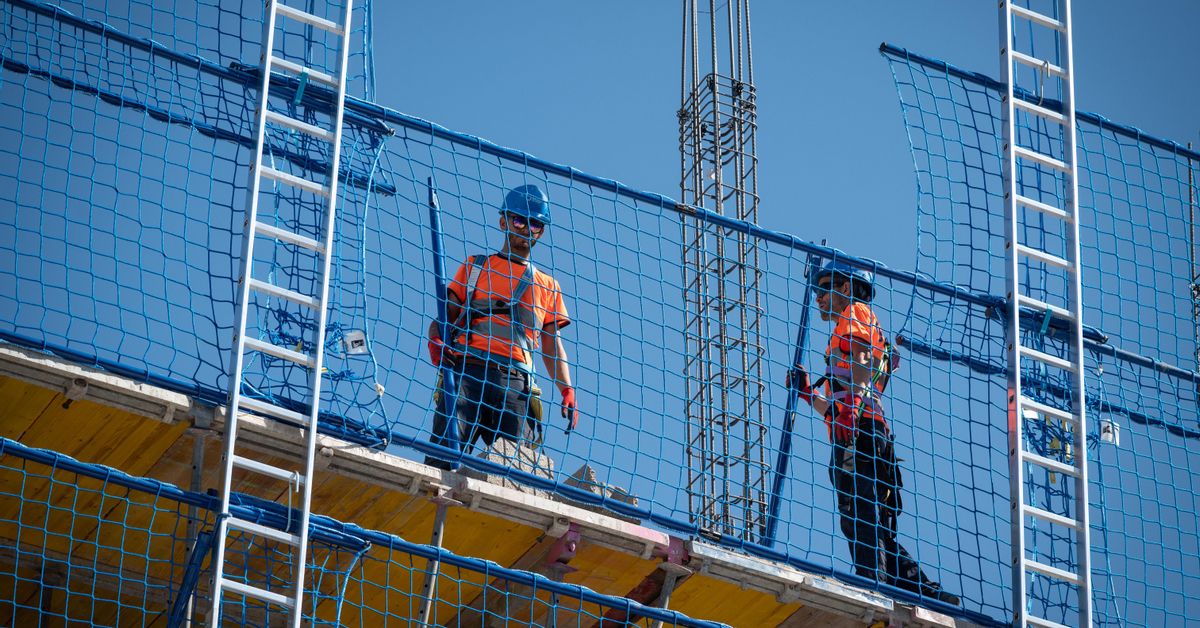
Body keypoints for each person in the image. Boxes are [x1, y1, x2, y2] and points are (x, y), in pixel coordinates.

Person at [788, 260, 959, 606]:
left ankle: (873, 586)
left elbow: (862, 368)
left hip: (860, 432)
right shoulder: (852, 325)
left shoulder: (856, 313)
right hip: (864, 430)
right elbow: (848, 392)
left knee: (860, 515)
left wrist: (849, 410)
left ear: (846, 288)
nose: (819, 297)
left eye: (824, 287)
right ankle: (917, 586)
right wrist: (810, 395)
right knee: (870, 520)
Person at [425, 184, 578, 468]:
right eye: (519, 220)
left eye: (534, 224)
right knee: (442, 459)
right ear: (503, 221)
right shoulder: (476, 267)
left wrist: (566, 389)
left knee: (517, 473)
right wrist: (435, 339)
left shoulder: (547, 286)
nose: (526, 229)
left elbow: (551, 344)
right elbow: (445, 315)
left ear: (541, 231)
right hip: (467, 372)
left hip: (515, 382)